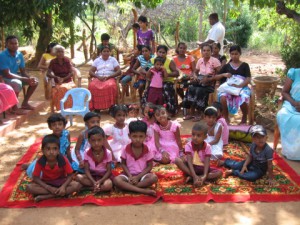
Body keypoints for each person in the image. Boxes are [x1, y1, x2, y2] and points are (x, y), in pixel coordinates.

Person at [26, 134, 82, 202]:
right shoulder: (40, 161)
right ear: (43, 151)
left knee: (77, 185)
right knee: (29, 188)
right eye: (48, 149)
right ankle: (59, 194)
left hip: (61, 181)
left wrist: (63, 186)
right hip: (46, 183)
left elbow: (70, 175)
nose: (51, 152)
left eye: (55, 149)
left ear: (58, 150)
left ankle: (47, 196)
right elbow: (35, 177)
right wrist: (48, 187)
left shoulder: (63, 159)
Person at [113, 120, 158, 196]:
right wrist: (130, 176)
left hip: (143, 175)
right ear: (129, 136)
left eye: (141, 136)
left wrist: (138, 177)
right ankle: (142, 190)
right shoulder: (125, 149)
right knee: (117, 180)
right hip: (128, 176)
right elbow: (123, 164)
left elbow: (150, 166)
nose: (137, 139)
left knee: (154, 178)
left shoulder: (148, 149)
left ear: (145, 136)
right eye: (134, 136)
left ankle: (128, 187)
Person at [24, 113, 72, 178]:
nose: (57, 127)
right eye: (54, 125)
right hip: (50, 159)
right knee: (38, 172)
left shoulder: (66, 134)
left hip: (62, 158)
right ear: (50, 127)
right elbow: (45, 152)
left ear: (64, 126)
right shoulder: (48, 138)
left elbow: (68, 150)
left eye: (60, 124)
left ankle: (29, 165)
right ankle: (29, 165)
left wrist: (70, 162)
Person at [175, 122, 222, 187]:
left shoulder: (207, 147)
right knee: (177, 160)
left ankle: (196, 178)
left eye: (198, 135)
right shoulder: (188, 145)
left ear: (205, 137)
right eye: (193, 135)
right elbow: (189, 162)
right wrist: (194, 175)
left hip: (202, 169)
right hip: (191, 168)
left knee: (219, 173)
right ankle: (194, 177)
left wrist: (205, 176)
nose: (195, 137)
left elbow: (207, 163)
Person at [183, 44, 221, 121]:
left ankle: (200, 113)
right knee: (190, 88)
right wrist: (195, 77)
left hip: (210, 84)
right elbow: (195, 72)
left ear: (211, 51)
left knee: (199, 91)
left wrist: (210, 79)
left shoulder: (215, 61)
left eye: (208, 50)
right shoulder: (200, 60)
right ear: (201, 52)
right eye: (204, 50)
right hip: (200, 81)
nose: (206, 52)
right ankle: (191, 112)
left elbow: (220, 74)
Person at [0, 35, 38, 110]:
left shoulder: (19, 55)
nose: (14, 45)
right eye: (11, 43)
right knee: (17, 83)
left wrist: (29, 78)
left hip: (14, 76)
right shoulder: (2, 55)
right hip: (4, 78)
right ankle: (14, 107)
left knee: (35, 81)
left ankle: (25, 103)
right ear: (7, 44)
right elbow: (7, 74)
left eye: (16, 43)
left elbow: (23, 71)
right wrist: (24, 79)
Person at [216, 45, 251, 124]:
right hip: (229, 87)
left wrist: (240, 86)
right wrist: (224, 74)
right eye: (232, 54)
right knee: (222, 97)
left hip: (242, 87)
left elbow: (248, 78)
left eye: (236, 54)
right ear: (230, 54)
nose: (234, 56)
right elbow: (216, 76)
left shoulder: (245, 65)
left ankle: (244, 117)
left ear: (240, 54)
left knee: (243, 97)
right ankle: (226, 118)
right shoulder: (227, 66)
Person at [76, 126, 113, 193]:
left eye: (99, 140)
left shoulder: (108, 153)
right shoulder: (86, 152)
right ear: (89, 141)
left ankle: (89, 188)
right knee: (78, 177)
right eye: (93, 140)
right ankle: (97, 187)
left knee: (108, 185)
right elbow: (86, 170)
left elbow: (109, 171)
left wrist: (100, 181)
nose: (96, 143)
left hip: (103, 176)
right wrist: (93, 181)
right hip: (91, 176)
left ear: (103, 140)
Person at [276, 68, 300, 160]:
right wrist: (294, 103)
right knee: (283, 115)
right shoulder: (295, 73)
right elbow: (285, 92)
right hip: (292, 104)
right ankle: (291, 152)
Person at [88, 46, 121, 112]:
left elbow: (119, 71)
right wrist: (98, 77)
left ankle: (111, 107)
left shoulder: (113, 60)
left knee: (110, 86)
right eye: (104, 51)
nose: (106, 53)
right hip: (98, 77)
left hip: (110, 78)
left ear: (110, 52)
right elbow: (90, 71)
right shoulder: (97, 60)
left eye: (107, 51)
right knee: (92, 86)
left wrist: (109, 77)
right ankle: (97, 107)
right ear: (101, 53)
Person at [46, 45, 76, 111]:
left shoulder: (67, 60)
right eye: (58, 52)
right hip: (57, 81)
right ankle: (62, 108)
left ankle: (70, 108)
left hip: (67, 80)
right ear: (55, 53)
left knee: (68, 88)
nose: (60, 53)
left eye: (62, 52)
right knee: (60, 89)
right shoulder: (53, 62)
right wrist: (55, 77)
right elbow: (48, 73)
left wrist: (64, 79)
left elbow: (71, 73)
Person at [154, 45, 179, 116]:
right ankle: (153, 111)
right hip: (155, 82)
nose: (161, 54)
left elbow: (176, 72)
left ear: (166, 53)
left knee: (166, 89)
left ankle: (170, 111)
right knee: (149, 90)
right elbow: (144, 70)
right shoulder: (153, 60)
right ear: (156, 52)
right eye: (160, 52)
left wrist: (167, 74)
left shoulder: (169, 61)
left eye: (163, 52)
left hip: (167, 81)